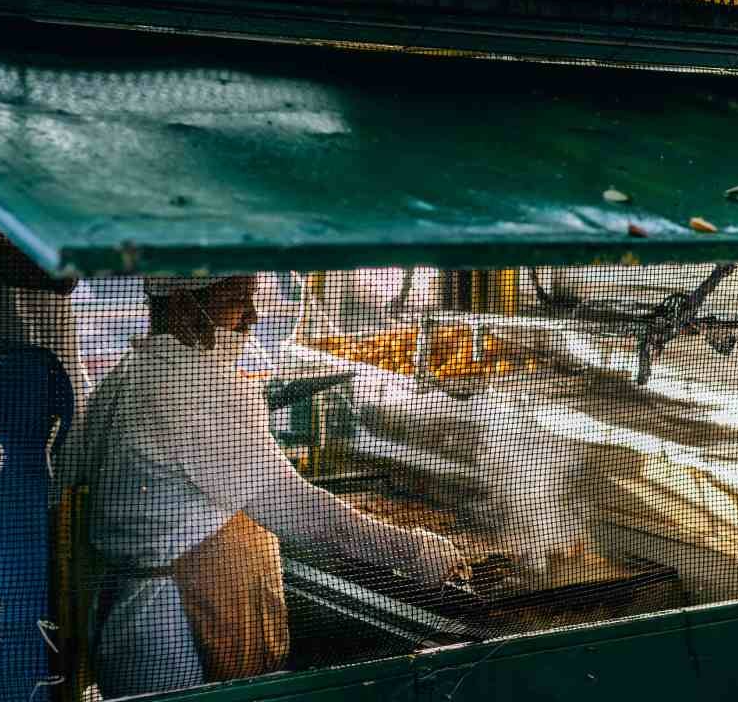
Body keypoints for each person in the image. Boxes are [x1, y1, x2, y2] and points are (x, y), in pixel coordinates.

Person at [61, 274, 466, 699]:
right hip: (177, 631)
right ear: (182, 302)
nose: (252, 317)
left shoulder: (126, 375)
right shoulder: (203, 388)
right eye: (238, 301)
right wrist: (416, 552)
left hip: (129, 622)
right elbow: (301, 510)